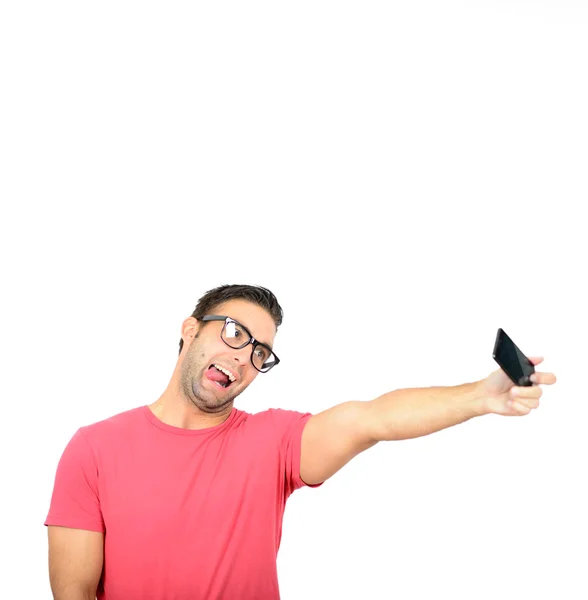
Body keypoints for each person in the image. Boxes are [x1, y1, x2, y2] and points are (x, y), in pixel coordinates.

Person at [45, 284, 557, 600]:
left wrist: (479, 396)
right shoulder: (93, 449)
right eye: (234, 333)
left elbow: (371, 418)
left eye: (261, 352)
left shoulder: (273, 442)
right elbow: (74, 593)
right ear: (189, 330)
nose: (244, 357)